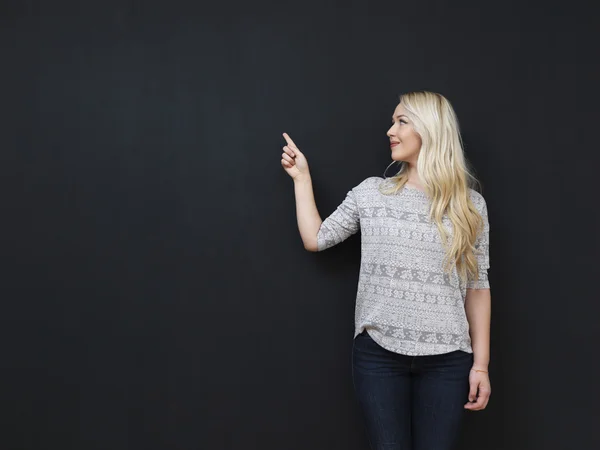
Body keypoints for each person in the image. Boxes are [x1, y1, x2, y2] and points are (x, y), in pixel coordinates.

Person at [280, 90, 492, 450]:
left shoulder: (470, 205)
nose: (390, 130)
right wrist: (302, 178)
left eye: (401, 121)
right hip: (378, 357)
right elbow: (317, 238)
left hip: (448, 362)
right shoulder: (372, 193)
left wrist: (481, 366)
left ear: (429, 129)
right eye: (393, 121)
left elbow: (477, 286)